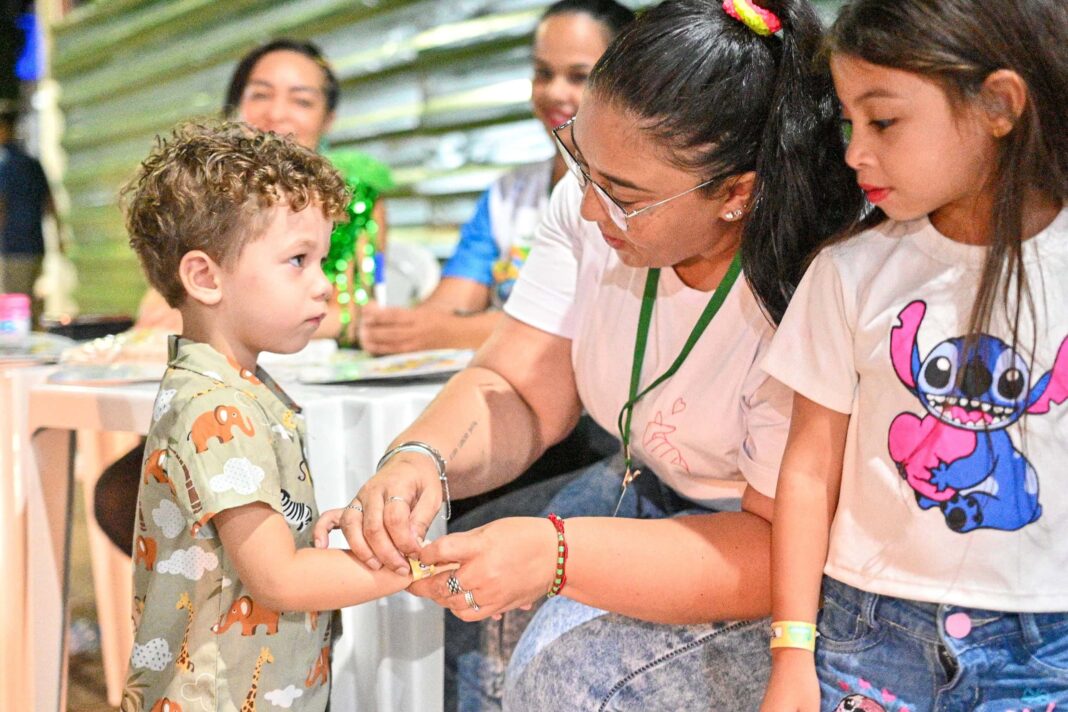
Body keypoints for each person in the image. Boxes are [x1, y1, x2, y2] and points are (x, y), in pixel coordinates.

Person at [316, 1, 863, 709]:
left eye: (625, 196)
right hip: (646, 488)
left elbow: (771, 546)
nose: (590, 210)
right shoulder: (594, 202)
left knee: (568, 673)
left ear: (737, 192)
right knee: (454, 599)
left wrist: (556, 555)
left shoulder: (808, 287)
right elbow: (518, 385)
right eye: (583, 166)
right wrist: (422, 456)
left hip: (782, 555)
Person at [758, 0, 1068, 709]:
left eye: (884, 121)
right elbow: (807, 473)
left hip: (1048, 653)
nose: (854, 152)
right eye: (848, 121)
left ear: (999, 104)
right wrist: (791, 657)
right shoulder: (849, 271)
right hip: (867, 639)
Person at [120, 121, 411, 711]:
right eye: (298, 261)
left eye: (322, 261)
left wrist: (305, 523)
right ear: (205, 277)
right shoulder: (216, 407)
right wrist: (413, 572)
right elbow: (278, 579)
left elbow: (246, 539)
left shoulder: (233, 383)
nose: (323, 287)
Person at [94, 38, 389, 554]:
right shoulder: (205, 207)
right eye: (261, 94)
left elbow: (361, 309)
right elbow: (157, 307)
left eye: (301, 99)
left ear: (328, 118)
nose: (278, 113)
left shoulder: (355, 202)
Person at [358, 0, 633, 356]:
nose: (554, 92)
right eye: (543, 73)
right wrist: (397, 328)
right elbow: (452, 300)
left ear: (627, 81)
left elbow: (590, 320)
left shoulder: (637, 197)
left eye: (579, 76)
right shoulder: (508, 195)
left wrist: (449, 332)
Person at [0, 102, 56, 324]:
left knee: (15, 304)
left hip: (14, 244)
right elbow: (50, 202)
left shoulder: (5, 165)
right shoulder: (32, 162)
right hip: (36, 243)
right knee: (30, 301)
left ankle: (25, 352)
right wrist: (59, 238)